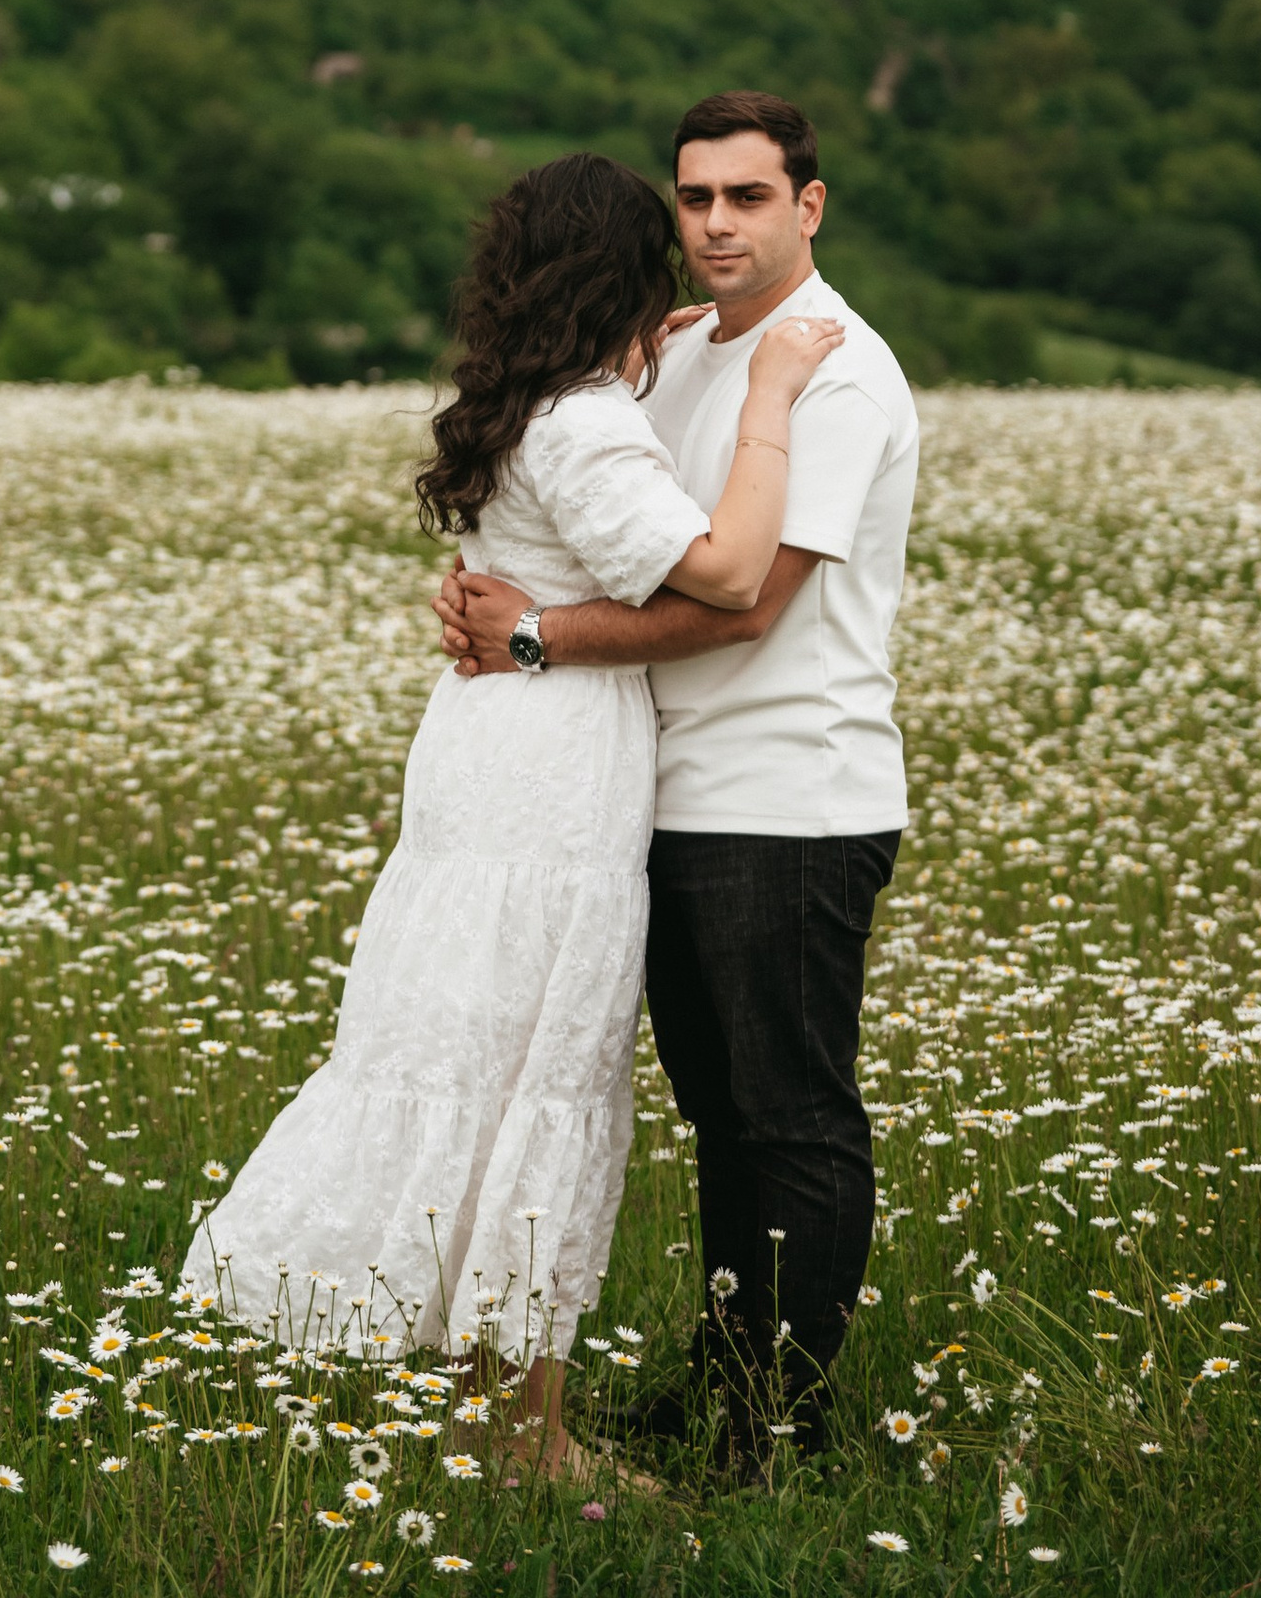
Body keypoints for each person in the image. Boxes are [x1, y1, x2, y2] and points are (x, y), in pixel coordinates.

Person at [177, 150, 843, 1473]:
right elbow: (717, 571)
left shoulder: (519, 395)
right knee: (538, 1064)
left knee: (493, 1058)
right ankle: (522, 1427)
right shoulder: (587, 417)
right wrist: (769, 390)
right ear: (621, 274)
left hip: (490, 745)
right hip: (550, 768)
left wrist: (681, 333)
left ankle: (496, 1400)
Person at [435, 91, 920, 1467]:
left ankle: (783, 1429)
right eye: (695, 196)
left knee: (793, 1116)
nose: (715, 221)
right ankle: (728, 1384)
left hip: (789, 793)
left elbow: (747, 599)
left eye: (748, 196)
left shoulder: (835, 370)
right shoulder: (685, 348)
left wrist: (530, 633)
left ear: (807, 206)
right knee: (722, 1120)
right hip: (665, 789)